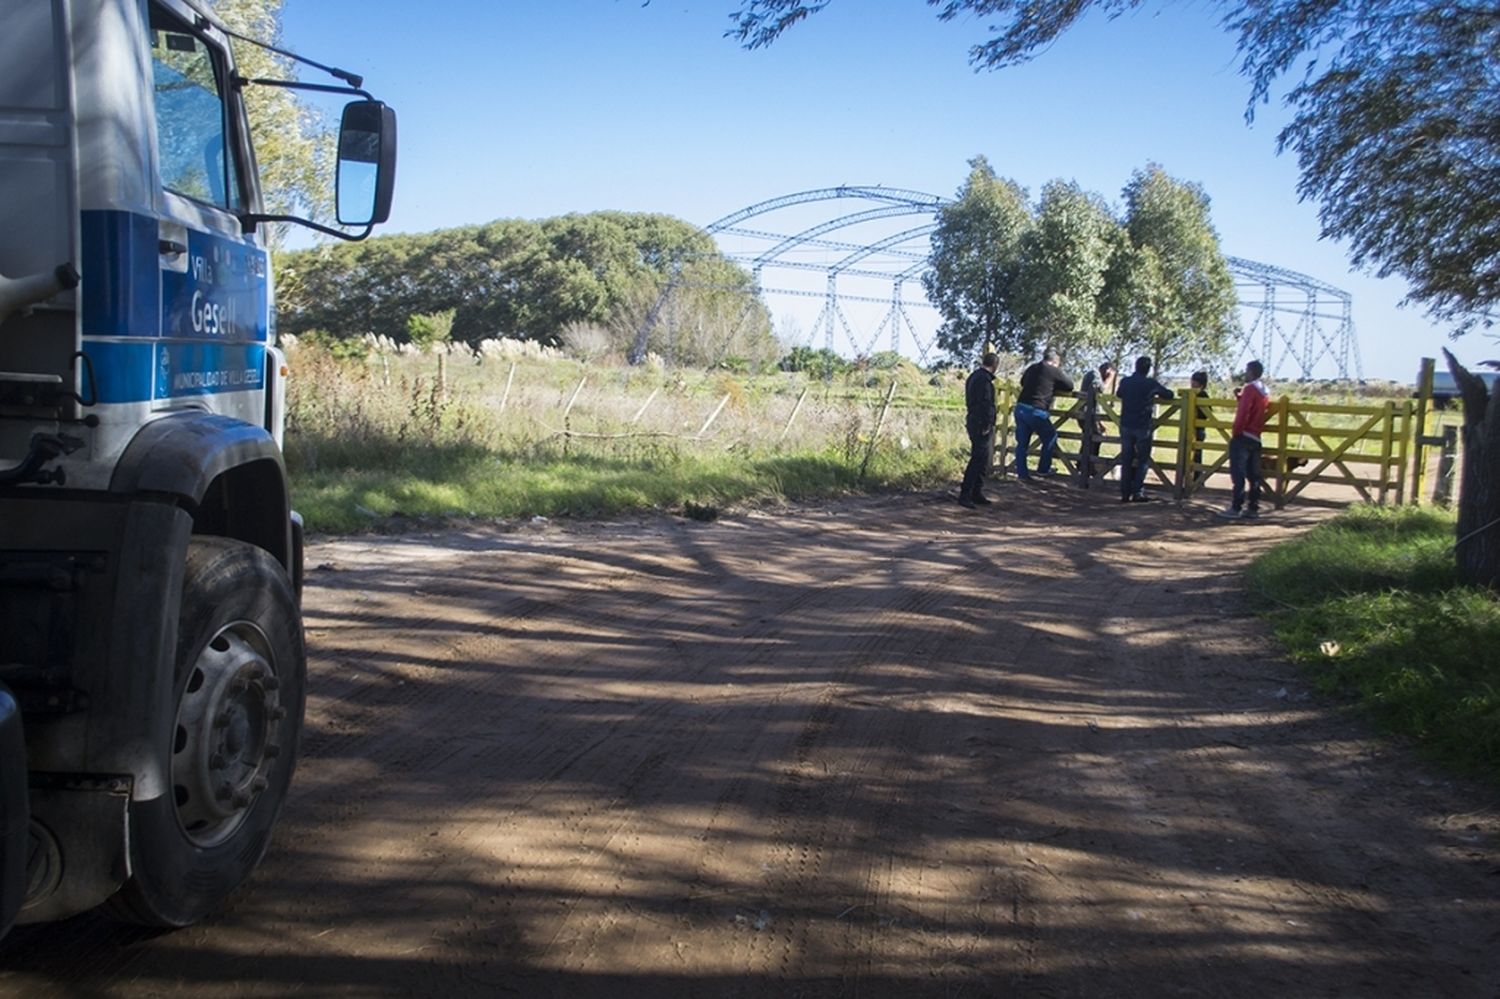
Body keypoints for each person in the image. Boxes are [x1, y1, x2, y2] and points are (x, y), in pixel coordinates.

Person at [1114, 356, 1175, 502]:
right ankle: (1138, 492)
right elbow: (1169, 395)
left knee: (1126, 459)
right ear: (1148, 369)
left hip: (1126, 424)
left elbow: (1119, 394)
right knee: (1142, 460)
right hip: (1142, 426)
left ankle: (1124, 493)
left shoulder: (1126, 381)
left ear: (1135, 366)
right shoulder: (1150, 383)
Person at [1218, 360, 1270, 520]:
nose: (1245, 373)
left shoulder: (1249, 389)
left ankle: (1236, 507)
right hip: (1256, 437)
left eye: (1247, 371)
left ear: (1252, 372)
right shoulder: (1265, 392)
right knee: (1254, 474)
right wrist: (1239, 397)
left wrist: (1236, 431)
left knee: (1238, 472)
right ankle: (1253, 507)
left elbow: (1244, 412)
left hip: (1244, 436)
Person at [1013, 348, 1074, 479]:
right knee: (1050, 437)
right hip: (1036, 410)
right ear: (1055, 362)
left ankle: (1022, 473)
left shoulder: (1032, 368)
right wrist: (1054, 384)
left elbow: (1022, 382)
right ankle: (1043, 469)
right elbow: (1069, 386)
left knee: (1022, 443)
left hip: (1020, 407)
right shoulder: (1053, 370)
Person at [958, 352, 999, 508]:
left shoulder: (974, 376)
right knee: (978, 459)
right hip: (980, 422)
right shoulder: (984, 380)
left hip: (974, 420)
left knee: (982, 458)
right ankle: (966, 494)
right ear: (995, 365)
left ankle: (976, 492)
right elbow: (986, 403)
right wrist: (987, 423)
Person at [1077, 362, 1117, 483]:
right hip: (1086, 413)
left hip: (1090, 413)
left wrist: (1099, 422)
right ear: (1108, 370)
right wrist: (1110, 379)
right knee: (1094, 438)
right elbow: (1098, 389)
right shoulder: (1094, 374)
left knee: (1091, 438)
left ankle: (1084, 466)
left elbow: (1096, 402)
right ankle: (1087, 467)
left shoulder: (1094, 374)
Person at [1189, 370, 1210, 485]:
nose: (1192, 383)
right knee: (1190, 454)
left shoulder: (1203, 395)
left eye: (1194, 381)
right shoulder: (1192, 394)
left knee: (1197, 454)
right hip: (1191, 429)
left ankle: (1198, 480)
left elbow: (1207, 413)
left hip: (1199, 429)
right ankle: (1191, 479)